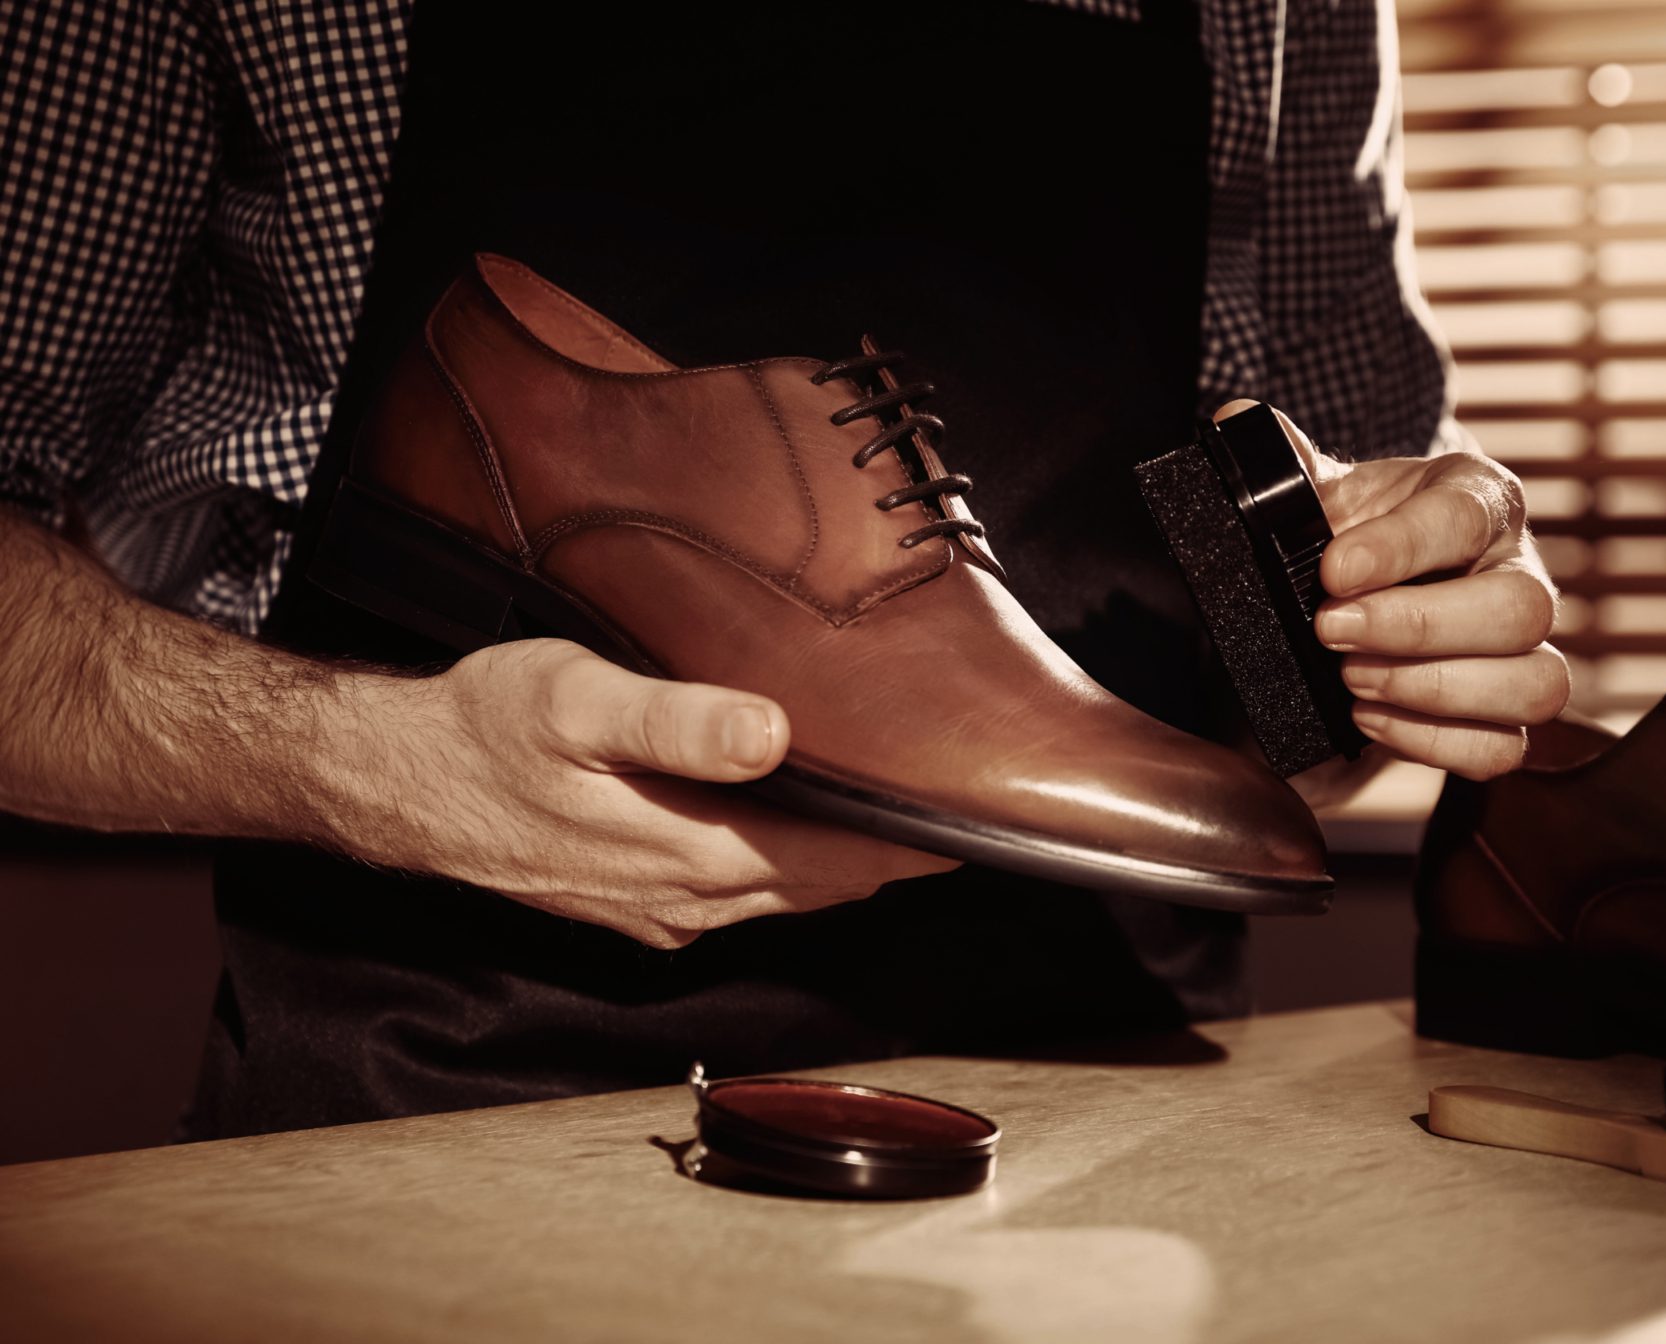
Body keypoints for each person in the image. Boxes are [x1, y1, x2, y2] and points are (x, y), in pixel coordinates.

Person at [0, 0, 1567, 1136]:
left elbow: (1318, 677)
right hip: (446, 1111)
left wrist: (1397, 622)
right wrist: (375, 764)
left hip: (1129, 1113)